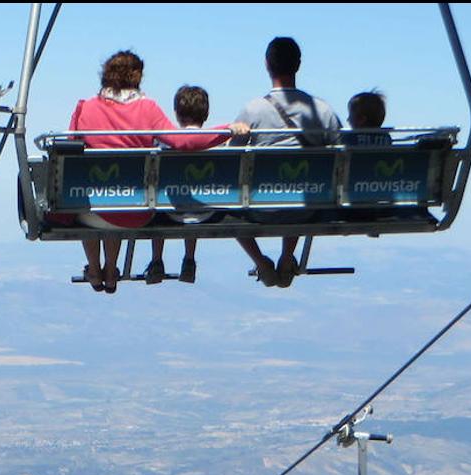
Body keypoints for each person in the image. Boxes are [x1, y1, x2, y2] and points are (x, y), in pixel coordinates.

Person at [69, 51, 248, 293]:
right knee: (121, 200)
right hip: (137, 212)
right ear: (136, 77)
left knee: (95, 199)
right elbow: (184, 141)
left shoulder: (85, 108)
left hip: (96, 211)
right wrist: (227, 129)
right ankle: (110, 269)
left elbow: (71, 154)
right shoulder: (147, 108)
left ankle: (94, 268)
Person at [230, 37, 343, 288]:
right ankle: (287, 255)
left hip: (260, 208)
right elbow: (342, 152)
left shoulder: (252, 110)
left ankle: (261, 262)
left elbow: (231, 157)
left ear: (267, 64)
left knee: (227, 206)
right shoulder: (322, 111)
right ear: (298, 65)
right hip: (307, 207)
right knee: (299, 189)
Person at [164, 85, 230, 283]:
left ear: (176, 114)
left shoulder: (166, 143)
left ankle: (157, 259)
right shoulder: (218, 143)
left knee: (163, 200)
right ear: (206, 114)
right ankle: (189, 257)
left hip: (169, 212)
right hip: (208, 212)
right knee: (196, 195)